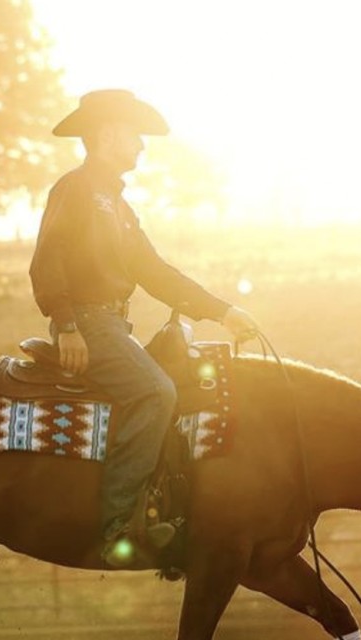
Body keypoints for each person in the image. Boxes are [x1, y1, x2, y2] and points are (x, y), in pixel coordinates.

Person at [29, 89, 257, 566]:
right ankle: (116, 526)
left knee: (172, 383)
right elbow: (48, 259)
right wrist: (66, 323)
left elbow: (155, 272)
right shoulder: (76, 189)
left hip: (110, 322)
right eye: (134, 135)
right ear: (108, 134)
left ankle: (165, 505)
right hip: (90, 322)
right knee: (155, 392)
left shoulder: (116, 205)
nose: (141, 146)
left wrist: (221, 312)